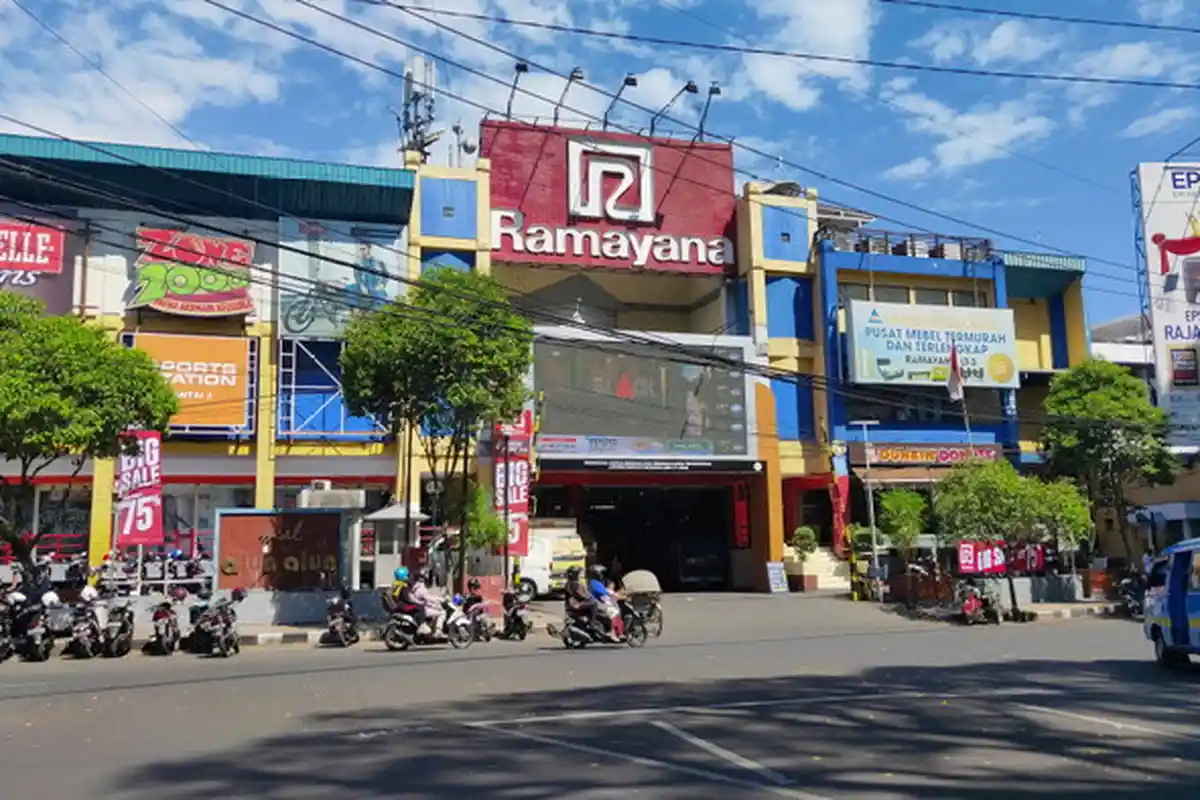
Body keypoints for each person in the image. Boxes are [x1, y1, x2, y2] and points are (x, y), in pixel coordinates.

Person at [587, 565, 623, 642]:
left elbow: (607, 590)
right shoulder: (594, 583)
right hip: (598, 604)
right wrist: (616, 595)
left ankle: (616, 630)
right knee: (614, 612)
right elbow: (606, 592)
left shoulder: (596, 583)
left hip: (601, 603)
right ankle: (612, 633)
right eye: (601, 573)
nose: (602, 575)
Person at [564, 566, 599, 632]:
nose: (579, 575)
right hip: (576, 604)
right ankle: (592, 624)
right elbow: (581, 595)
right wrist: (589, 597)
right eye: (578, 574)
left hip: (570, 605)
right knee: (594, 604)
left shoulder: (568, 583)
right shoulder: (575, 584)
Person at [411, 569, 445, 636]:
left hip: (421, 608)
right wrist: (442, 600)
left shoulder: (417, 586)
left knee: (437, 609)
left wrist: (436, 602)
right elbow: (429, 598)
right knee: (443, 612)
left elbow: (427, 598)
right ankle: (438, 631)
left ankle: (432, 629)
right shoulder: (421, 588)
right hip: (423, 609)